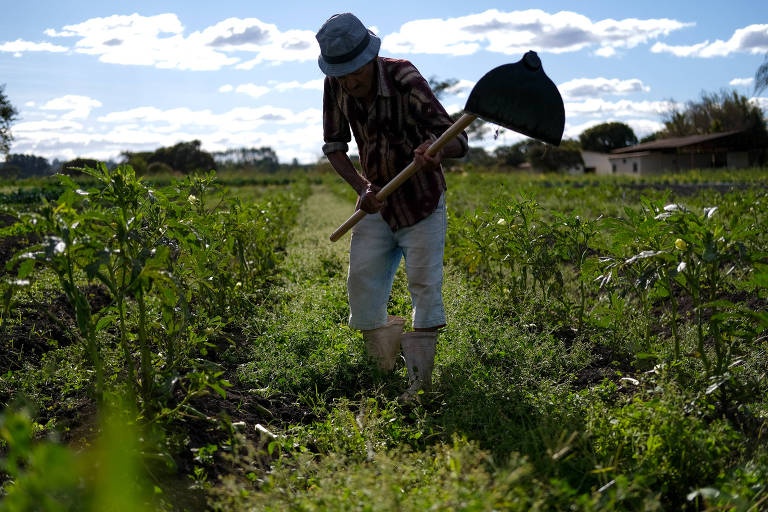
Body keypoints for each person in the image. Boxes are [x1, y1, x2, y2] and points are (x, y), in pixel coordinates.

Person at [315, 13, 469, 400]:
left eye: (355, 71)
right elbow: (334, 146)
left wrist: (434, 151)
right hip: (377, 202)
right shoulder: (335, 85)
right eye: (342, 73)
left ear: (370, 57)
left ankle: (420, 385)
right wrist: (362, 186)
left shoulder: (403, 77)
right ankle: (381, 373)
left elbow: (457, 142)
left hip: (421, 200)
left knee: (424, 285)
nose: (350, 80)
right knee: (362, 282)